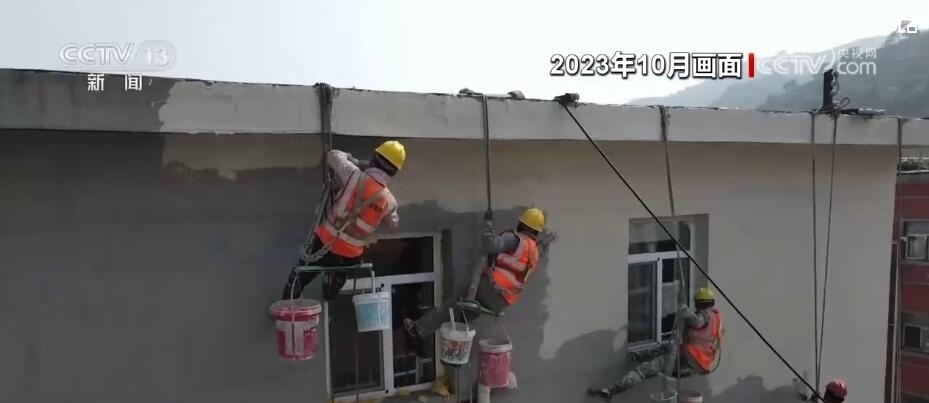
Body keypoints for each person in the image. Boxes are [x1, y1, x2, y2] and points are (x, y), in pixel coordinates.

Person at [281, 140, 406, 302]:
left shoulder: (353, 174)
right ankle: (333, 288)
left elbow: (333, 156)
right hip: (350, 256)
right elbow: (393, 226)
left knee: (299, 277)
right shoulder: (390, 201)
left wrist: (355, 161)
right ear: (394, 172)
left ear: (374, 158)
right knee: (340, 274)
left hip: (325, 245)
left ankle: (288, 306)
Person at [403, 208, 545, 340]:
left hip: (491, 287)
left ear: (522, 224)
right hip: (502, 301)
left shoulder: (515, 239)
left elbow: (489, 246)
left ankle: (419, 328)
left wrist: (487, 230)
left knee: (455, 301)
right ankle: (455, 341)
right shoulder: (534, 252)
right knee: (465, 313)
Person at [588, 287, 722, 400]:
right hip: (698, 364)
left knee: (645, 369)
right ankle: (638, 356)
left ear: (699, 303)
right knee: (665, 349)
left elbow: (696, 321)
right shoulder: (716, 318)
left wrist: (684, 308)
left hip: (691, 359)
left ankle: (611, 391)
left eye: (697, 304)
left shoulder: (706, 315)